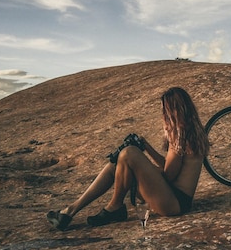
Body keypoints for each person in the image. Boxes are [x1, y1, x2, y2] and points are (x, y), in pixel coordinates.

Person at [47, 87, 209, 231]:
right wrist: (146, 148)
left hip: (174, 203)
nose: (163, 114)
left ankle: (115, 207)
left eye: (165, 110)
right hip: (173, 197)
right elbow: (172, 168)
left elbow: (169, 176)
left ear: (173, 111)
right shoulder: (192, 131)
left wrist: (142, 161)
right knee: (117, 164)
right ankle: (70, 211)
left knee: (129, 152)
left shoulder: (180, 135)